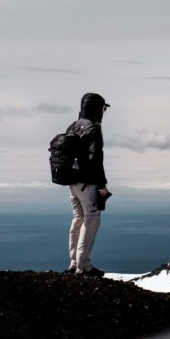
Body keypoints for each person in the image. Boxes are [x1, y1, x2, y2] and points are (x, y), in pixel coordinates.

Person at [66, 92, 111, 277]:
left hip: (72, 181)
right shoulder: (93, 128)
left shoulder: (72, 126)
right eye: (103, 108)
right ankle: (84, 266)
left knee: (78, 218)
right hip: (88, 182)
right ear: (96, 108)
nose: (103, 112)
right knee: (92, 218)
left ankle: (74, 262)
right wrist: (102, 184)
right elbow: (95, 158)